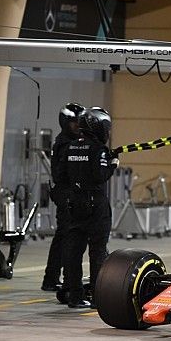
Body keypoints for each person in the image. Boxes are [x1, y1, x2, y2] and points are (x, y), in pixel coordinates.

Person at [55, 107, 118, 308]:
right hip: (95, 206)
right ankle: (98, 295)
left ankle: (74, 295)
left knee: (73, 251)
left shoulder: (71, 147)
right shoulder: (98, 150)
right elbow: (100, 175)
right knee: (98, 251)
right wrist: (113, 164)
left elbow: (61, 176)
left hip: (74, 204)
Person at [42, 102, 84, 291]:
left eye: (79, 122)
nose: (78, 126)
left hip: (66, 193)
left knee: (62, 239)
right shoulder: (65, 144)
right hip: (66, 194)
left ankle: (51, 279)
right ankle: (65, 281)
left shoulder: (67, 142)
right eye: (74, 122)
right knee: (68, 240)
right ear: (65, 122)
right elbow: (61, 174)